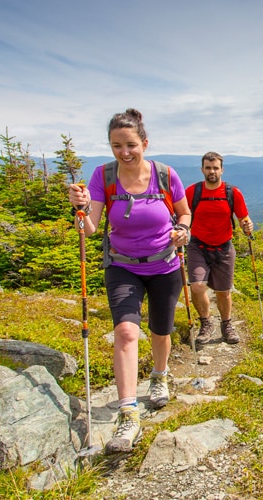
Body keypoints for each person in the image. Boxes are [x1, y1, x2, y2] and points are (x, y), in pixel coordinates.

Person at [68, 108, 192, 454]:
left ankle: (159, 376)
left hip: (164, 264)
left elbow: (183, 212)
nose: (124, 152)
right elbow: (89, 229)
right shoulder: (102, 176)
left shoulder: (165, 175)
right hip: (121, 265)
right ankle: (127, 412)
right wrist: (78, 210)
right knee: (125, 330)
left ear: (145, 143)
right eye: (116, 145)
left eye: (131, 145)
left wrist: (183, 229)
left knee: (161, 329)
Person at [186, 151, 254, 348]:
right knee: (198, 286)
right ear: (202, 170)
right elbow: (182, 214)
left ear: (222, 170)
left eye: (215, 168)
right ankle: (206, 322)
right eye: (208, 168)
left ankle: (226, 324)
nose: (212, 171)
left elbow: (244, 218)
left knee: (223, 291)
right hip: (197, 246)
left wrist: (247, 225)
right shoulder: (193, 192)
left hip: (224, 247)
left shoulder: (233, 193)